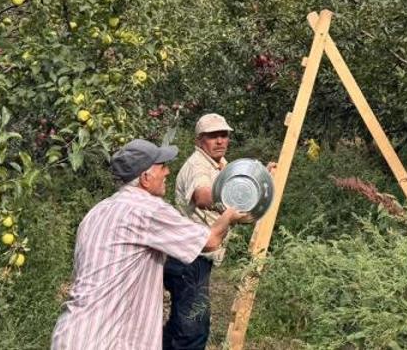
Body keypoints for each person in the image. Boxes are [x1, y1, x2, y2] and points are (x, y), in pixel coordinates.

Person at [51, 138, 252, 350]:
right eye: (162, 167)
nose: (167, 172)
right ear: (146, 178)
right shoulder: (148, 209)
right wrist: (229, 215)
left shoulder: (98, 211)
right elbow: (210, 241)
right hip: (107, 339)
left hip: (72, 334)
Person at [164, 113, 269, 350]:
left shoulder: (218, 164)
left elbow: (237, 180)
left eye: (224, 135)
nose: (220, 141)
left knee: (180, 324)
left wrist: (262, 176)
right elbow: (201, 195)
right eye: (213, 136)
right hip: (189, 258)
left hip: (196, 257)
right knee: (193, 330)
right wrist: (235, 196)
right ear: (200, 140)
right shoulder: (198, 165)